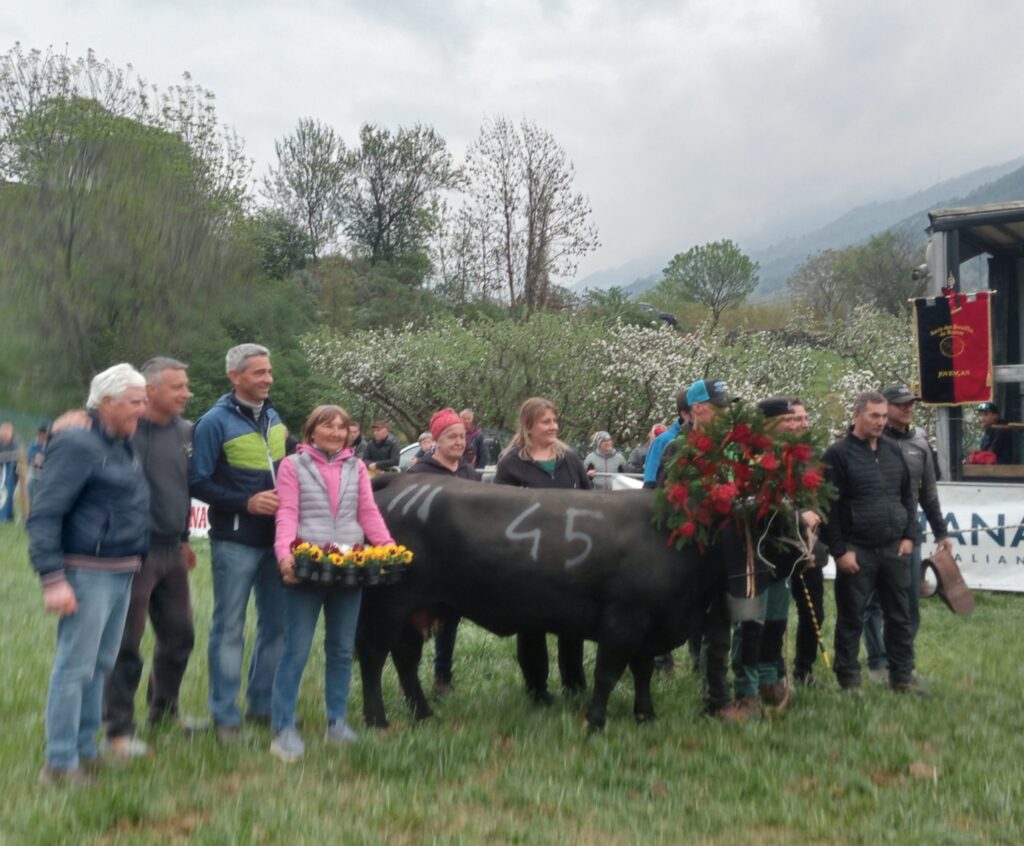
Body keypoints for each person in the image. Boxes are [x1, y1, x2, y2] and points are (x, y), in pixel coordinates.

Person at [27, 364, 149, 785]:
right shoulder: (77, 443)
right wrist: (53, 578)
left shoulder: (122, 444)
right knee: (74, 668)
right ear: (108, 402)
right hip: (86, 571)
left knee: (100, 666)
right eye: (136, 401)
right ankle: (59, 763)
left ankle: (84, 748)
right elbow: (44, 513)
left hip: (121, 570)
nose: (143, 409)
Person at [270, 405, 395, 762]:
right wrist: (284, 553)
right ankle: (283, 728)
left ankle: (337, 723)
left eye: (342, 427)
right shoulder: (293, 466)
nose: (337, 433)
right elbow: (288, 512)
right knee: (296, 649)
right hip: (308, 566)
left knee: (341, 650)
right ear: (311, 431)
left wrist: (387, 547)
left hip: (349, 567)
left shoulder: (356, 466)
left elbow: (367, 511)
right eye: (328, 426)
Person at [189, 343, 288, 743]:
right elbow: (196, 480)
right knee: (229, 628)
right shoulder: (213, 422)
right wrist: (245, 502)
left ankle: (262, 706)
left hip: (278, 541)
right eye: (258, 373)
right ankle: (226, 716)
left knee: (276, 627)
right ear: (235, 377)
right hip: (235, 540)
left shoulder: (274, 417)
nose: (267, 379)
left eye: (269, 372)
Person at [102, 358, 199, 758]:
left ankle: (164, 709)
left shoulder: (187, 432)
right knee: (127, 642)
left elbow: (181, 488)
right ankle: (118, 729)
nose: (187, 393)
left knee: (180, 635)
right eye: (178, 387)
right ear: (152, 390)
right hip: (131, 552)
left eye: (186, 385)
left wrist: (184, 537)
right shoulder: (123, 429)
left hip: (171, 549)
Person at [822, 391, 921, 695]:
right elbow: (829, 507)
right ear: (856, 415)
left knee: (900, 615)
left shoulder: (893, 450)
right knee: (852, 617)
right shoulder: (837, 454)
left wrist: (909, 536)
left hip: (894, 546)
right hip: (857, 549)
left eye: (883, 416)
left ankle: (902, 676)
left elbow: (907, 495)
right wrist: (839, 551)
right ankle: (849, 680)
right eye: (873, 416)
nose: (880, 422)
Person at [494, 397, 591, 704]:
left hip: (571, 554)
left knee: (573, 622)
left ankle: (574, 683)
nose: (554, 426)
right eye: (546, 422)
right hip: (529, 558)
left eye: (554, 420)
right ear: (529, 426)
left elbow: (590, 502)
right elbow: (499, 511)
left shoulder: (570, 459)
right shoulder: (510, 465)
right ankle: (537, 687)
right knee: (532, 624)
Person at [863, 385, 954, 682]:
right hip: (872, 532)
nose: (908, 408)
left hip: (908, 530)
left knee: (909, 600)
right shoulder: (871, 442)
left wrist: (941, 531)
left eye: (911, 403)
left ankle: (902, 660)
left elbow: (928, 491)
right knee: (873, 601)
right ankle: (878, 662)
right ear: (885, 408)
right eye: (901, 404)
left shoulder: (920, 442)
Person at [407, 407, 481, 695]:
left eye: (462, 437)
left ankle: (442, 676)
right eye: (452, 436)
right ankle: (408, 675)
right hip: (425, 557)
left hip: (456, 560)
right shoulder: (419, 471)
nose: (459, 442)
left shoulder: (468, 472)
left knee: (449, 620)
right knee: (415, 619)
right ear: (437, 439)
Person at [0, 421, 27, 523]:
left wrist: (3, 457)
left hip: (13, 471)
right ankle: (6, 515)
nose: (4, 439)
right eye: (2, 437)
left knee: (9, 492)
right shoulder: (1, 439)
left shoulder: (16, 441)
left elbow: (17, 454)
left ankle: (9, 515)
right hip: (2, 469)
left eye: (5, 437)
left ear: (10, 433)